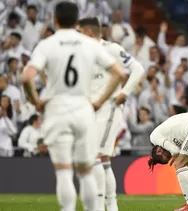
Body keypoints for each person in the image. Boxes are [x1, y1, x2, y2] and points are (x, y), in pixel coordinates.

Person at [21, 2, 124, 211]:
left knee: (64, 171)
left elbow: (26, 76)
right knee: (86, 171)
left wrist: (36, 101)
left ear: (55, 19)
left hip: (57, 109)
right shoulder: (90, 44)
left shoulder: (47, 44)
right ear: (77, 21)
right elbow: (119, 73)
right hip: (83, 109)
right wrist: (100, 101)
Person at [77, 17, 145, 211]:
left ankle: (98, 206)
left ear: (89, 33)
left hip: (109, 107)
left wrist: (125, 92)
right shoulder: (83, 54)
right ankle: (111, 205)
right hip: (91, 109)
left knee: (96, 155)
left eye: (80, 32)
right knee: (104, 159)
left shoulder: (112, 49)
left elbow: (137, 69)